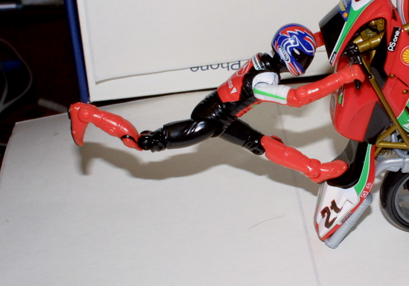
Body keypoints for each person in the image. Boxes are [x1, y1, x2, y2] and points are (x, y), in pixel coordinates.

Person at [69, 24, 365, 183]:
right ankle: (85, 113)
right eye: (304, 57)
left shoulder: (264, 60)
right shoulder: (264, 83)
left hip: (220, 114)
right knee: (145, 143)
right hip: (210, 122)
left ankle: (315, 170)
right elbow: (299, 98)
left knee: (261, 144)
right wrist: (344, 76)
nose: (307, 60)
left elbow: (308, 41)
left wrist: (341, 30)